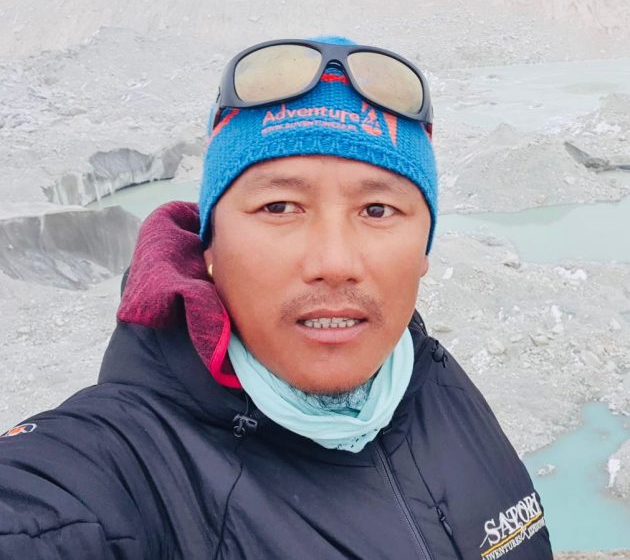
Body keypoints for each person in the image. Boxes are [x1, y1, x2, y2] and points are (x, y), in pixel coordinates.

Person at [0, 37, 553, 559]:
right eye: (280, 208)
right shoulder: (127, 464)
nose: (334, 262)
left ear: (423, 248)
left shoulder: (430, 379)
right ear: (210, 246)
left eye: (377, 210)